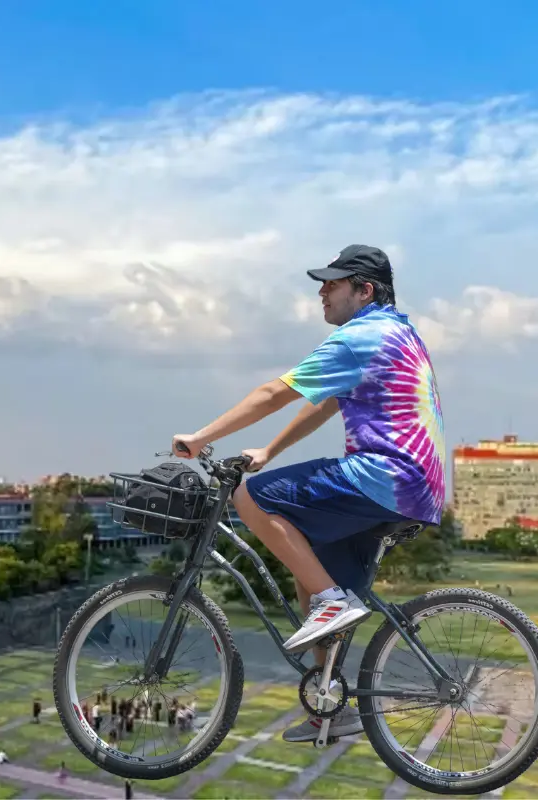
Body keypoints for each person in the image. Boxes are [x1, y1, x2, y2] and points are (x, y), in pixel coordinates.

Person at [171, 245, 445, 744]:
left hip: (384, 476)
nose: (322, 290)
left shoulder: (361, 336)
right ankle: (329, 704)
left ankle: (330, 601)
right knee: (309, 565)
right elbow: (325, 403)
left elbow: (275, 392)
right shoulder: (400, 334)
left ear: (364, 290)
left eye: (333, 283)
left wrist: (202, 437)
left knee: (251, 498)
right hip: (415, 487)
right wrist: (270, 449)